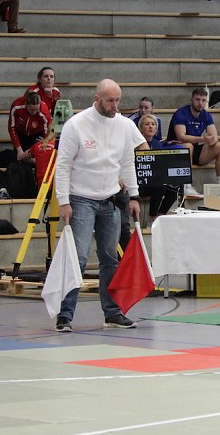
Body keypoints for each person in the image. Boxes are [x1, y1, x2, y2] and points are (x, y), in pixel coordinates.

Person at [53, 79, 145, 333]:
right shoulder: (76, 124)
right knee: (78, 258)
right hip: (81, 198)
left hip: (111, 200)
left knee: (110, 258)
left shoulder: (125, 125)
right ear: (97, 98)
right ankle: (65, 314)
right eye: (109, 101)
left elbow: (128, 162)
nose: (115, 105)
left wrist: (134, 197)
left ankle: (112, 312)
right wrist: (64, 201)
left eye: (118, 100)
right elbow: (63, 165)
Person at [167, 87, 220, 194]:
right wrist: (202, 139)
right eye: (197, 100)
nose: (200, 103)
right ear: (191, 100)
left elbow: (214, 136)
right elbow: (181, 137)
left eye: (203, 100)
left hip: (194, 149)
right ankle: (186, 185)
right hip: (175, 149)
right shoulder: (181, 113)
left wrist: (211, 140)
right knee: (188, 146)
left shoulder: (206, 115)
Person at [136, 114, 183, 222]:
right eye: (147, 124)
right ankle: (152, 217)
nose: (151, 127)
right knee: (160, 186)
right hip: (141, 182)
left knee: (175, 185)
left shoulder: (157, 144)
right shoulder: (136, 143)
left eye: (153, 124)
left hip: (154, 180)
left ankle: (160, 215)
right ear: (141, 128)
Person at [8, 92, 52, 163]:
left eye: (36, 110)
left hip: (37, 134)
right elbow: (12, 128)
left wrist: (45, 140)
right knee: (18, 159)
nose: (34, 113)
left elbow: (49, 127)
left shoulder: (43, 110)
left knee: (36, 157)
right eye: (32, 110)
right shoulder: (16, 107)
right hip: (21, 134)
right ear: (26, 104)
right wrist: (19, 150)